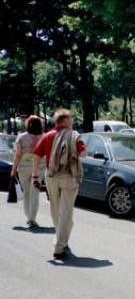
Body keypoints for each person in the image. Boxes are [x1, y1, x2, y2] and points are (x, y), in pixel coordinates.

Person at [31, 109, 86, 259]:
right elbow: (83, 154)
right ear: (66, 121)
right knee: (67, 211)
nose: (72, 121)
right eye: (71, 119)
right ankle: (59, 246)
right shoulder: (73, 136)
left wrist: (35, 176)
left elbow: (36, 156)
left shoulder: (47, 136)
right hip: (68, 176)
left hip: (51, 176)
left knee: (55, 209)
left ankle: (61, 238)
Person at [10, 116, 44, 228]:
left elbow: (18, 155)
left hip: (24, 167)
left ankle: (28, 215)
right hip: (38, 167)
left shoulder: (21, 137)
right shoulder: (44, 137)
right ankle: (32, 218)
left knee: (26, 193)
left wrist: (13, 169)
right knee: (35, 193)